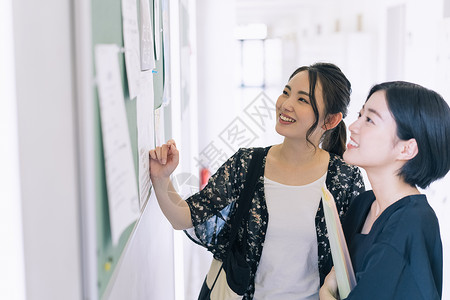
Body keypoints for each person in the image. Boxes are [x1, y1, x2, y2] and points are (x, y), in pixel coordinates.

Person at [149, 62, 365, 299]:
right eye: (286, 92)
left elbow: (355, 259)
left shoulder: (345, 179)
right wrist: (162, 178)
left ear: (331, 120)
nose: (286, 104)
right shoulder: (246, 163)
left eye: (302, 100)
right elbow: (185, 217)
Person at [319, 81, 450, 300]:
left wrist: (326, 294)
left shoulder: (411, 222)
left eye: (369, 120)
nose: (353, 126)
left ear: (406, 148)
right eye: (360, 115)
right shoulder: (363, 203)